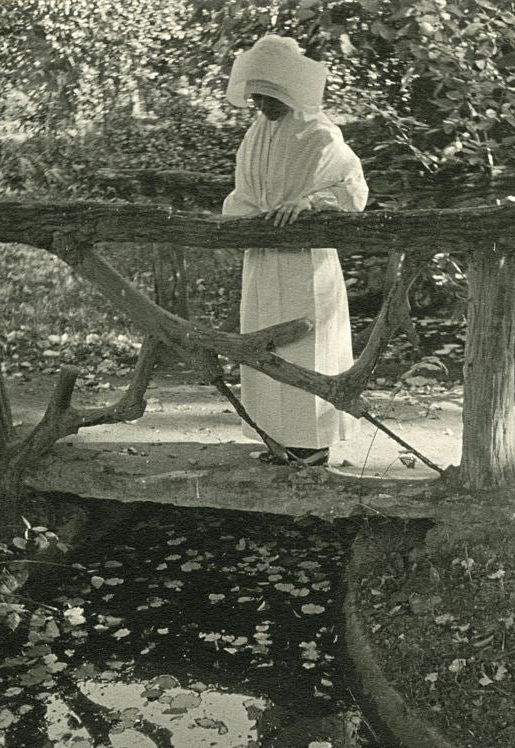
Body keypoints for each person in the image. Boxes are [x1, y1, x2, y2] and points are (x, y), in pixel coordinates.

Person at [223, 35, 368, 467]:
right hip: (265, 259)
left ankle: (313, 443)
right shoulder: (257, 134)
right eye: (257, 97)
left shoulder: (320, 133)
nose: (261, 106)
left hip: (306, 261)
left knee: (307, 344)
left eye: (268, 96)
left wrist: (308, 202)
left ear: (288, 90)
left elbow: (351, 189)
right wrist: (248, 220)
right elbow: (244, 193)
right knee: (265, 346)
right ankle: (278, 439)